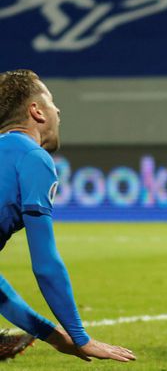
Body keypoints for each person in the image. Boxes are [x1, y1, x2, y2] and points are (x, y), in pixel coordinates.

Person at [0, 69, 136, 363]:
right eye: (50, 100)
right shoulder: (32, 157)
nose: (58, 109)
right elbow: (46, 264)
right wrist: (80, 337)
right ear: (36, 111)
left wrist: (52, 335)